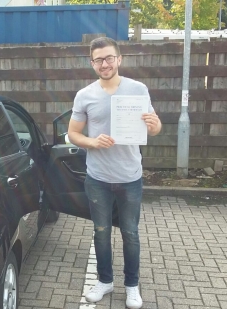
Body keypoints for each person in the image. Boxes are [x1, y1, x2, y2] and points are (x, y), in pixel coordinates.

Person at [67, 37, 162, 308]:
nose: (104, 64)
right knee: (101, 232)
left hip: (130, 177)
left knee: (130, 233)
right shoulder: (84, 95)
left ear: (119, 59)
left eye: (109, 58)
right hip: (97, 177)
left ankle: (132, 285)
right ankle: (105, 281)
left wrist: (155, 124)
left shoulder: (138, 89)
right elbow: (73, 134)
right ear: (92, 63)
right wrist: (92, 142)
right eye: (98, 60)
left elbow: (153, 130)